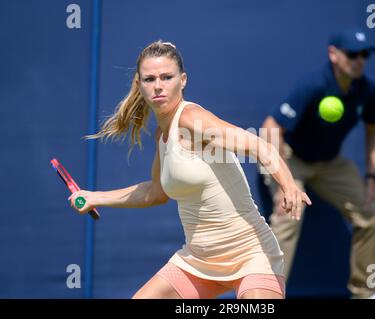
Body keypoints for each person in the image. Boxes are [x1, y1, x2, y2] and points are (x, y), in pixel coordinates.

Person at [68, 40, 311, 299]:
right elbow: (155, 192)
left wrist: (288, 185)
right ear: (139, 85)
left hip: (251, 255)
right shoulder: (163, 134)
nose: (158, 85)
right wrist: (94, 198)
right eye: (149, 79)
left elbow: (259, 146)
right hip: (198, 261)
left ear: (182, 80)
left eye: (167, 77)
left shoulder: (192, 119)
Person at [259, 28, 375, 299]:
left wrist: (372, 179)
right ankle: (265, 296)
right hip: (290, 157)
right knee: (288, 216)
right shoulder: (314, 85)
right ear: (334, 54)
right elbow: (270, 128)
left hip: (329, 163)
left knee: (372, 212)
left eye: (364, 55)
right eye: (353, 54)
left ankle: (365, 292)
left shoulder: (367, 90)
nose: (359, 60)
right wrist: (283, 179)